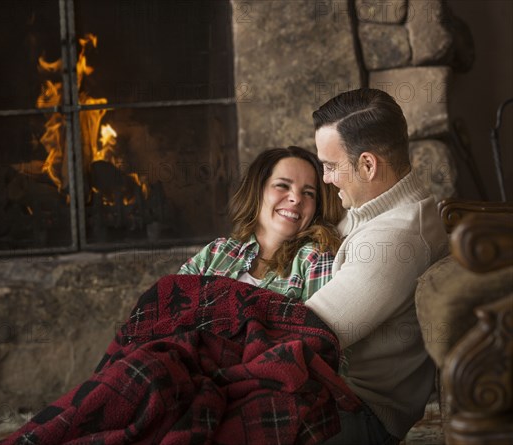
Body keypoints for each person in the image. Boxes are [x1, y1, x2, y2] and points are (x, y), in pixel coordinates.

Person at [305, 88, 449, 444]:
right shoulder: (376, 211)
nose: (324, 178)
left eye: (331, 166)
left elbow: (304, 333)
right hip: (333, 396)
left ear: (368, 165)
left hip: (354, 416)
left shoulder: (393, 240)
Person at [179, 145, 344, 301]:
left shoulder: (314, 259)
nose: (296, 199)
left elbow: (315, 329)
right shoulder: (217, 252)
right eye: (282, 185)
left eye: (308, 193)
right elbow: (168, 304)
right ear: (257, 191)